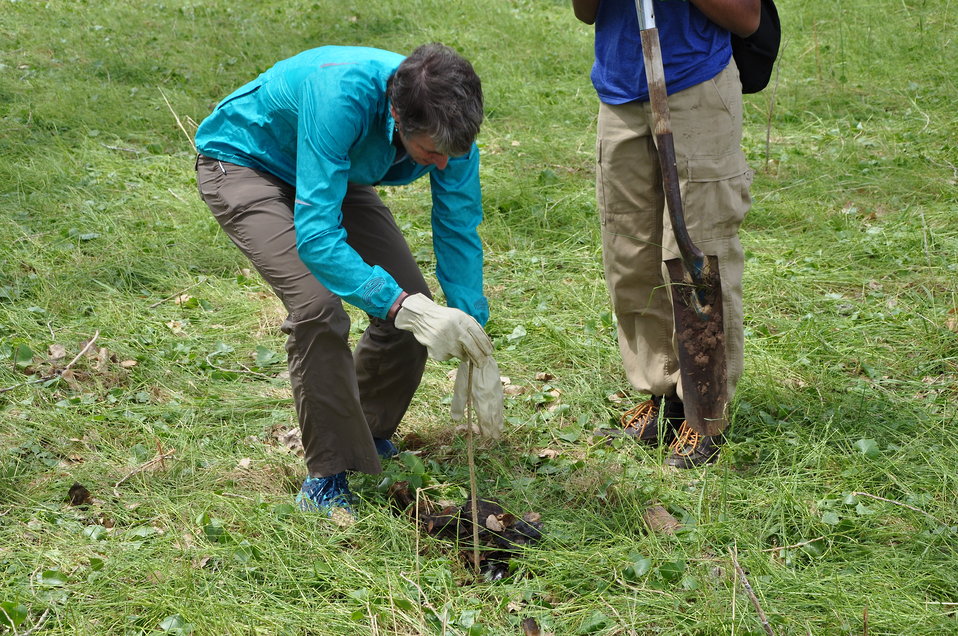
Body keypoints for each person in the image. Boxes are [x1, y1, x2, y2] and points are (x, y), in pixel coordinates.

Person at [193, 43, 504, 515]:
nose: (443, 163)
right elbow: (317, 239)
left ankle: (366, 432)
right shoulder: (341, 96)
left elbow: (458, 225)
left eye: (452, 153)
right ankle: (328, 472)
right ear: (398, 116)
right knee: (318, 308)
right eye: (431, 153)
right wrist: (399, 305)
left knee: (415, 304)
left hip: (328, 166)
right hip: (245, 162)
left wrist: (469, 322)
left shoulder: (448, 127)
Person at [572, 0, 759, 467]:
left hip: (695, 87)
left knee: (698, 253)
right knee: (629, 255)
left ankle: (706, 411)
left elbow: (746, 16)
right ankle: (664, 397)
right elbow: (585, 12)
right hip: (619, 93)